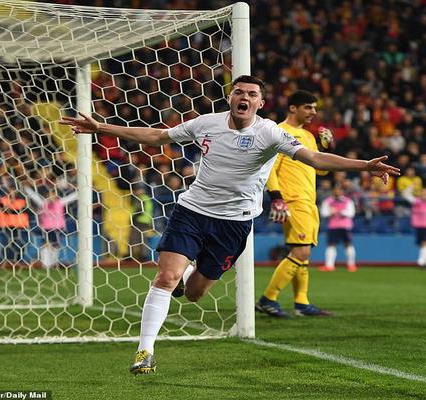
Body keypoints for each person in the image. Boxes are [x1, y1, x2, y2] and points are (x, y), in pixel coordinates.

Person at [61, 75, 400, 375]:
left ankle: (188, 273)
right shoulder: (207, 123)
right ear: (230, 96)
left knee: (194, 294)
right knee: (165, 277)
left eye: (252, 94)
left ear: (260, 103)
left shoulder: (270, 132)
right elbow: (158, 136)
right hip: (192, 212)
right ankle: (145, 351)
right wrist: (101, 128)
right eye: (239, 91)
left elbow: (314, 158)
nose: (244, 97)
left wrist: (364, 165)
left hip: (233, 224)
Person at [255, 90, 335, 318]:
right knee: (300, 252)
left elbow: (321, 169)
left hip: (308, 200)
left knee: (303, 253)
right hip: (293, 199)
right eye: (308, 107)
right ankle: (268, 299)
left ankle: (301, 303)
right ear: (293, 108)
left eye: (315, 108)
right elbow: (269, 168)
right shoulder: (279, 132)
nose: (313, 112)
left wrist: (327, 148)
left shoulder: (308, 136)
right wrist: (277, 197)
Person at [24, 185, 77, 268]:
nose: (51, 197)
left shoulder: (60, 202)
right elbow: (34, 196)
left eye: (53, 194)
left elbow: (70, 198)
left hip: (58, 228)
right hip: (46, 228)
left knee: (55, 246)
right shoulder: (43, 203)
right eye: (50, 195)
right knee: (46, 245)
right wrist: (26, 188)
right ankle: (45, 264)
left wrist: (82, 191)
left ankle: (52, 263)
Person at [319, 184, 357, 272]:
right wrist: (330, 212)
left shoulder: (348, 201)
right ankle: (329, 266)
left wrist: (341, 212)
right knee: (331, 245)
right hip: (332, 226)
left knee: (348, 244)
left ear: (342, 191)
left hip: (345, 226)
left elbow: (351, 213)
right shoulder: (327, 201)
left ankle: (351, 265)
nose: (337, 191)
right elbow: (323, 213)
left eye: (339, 190)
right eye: (336, 190)